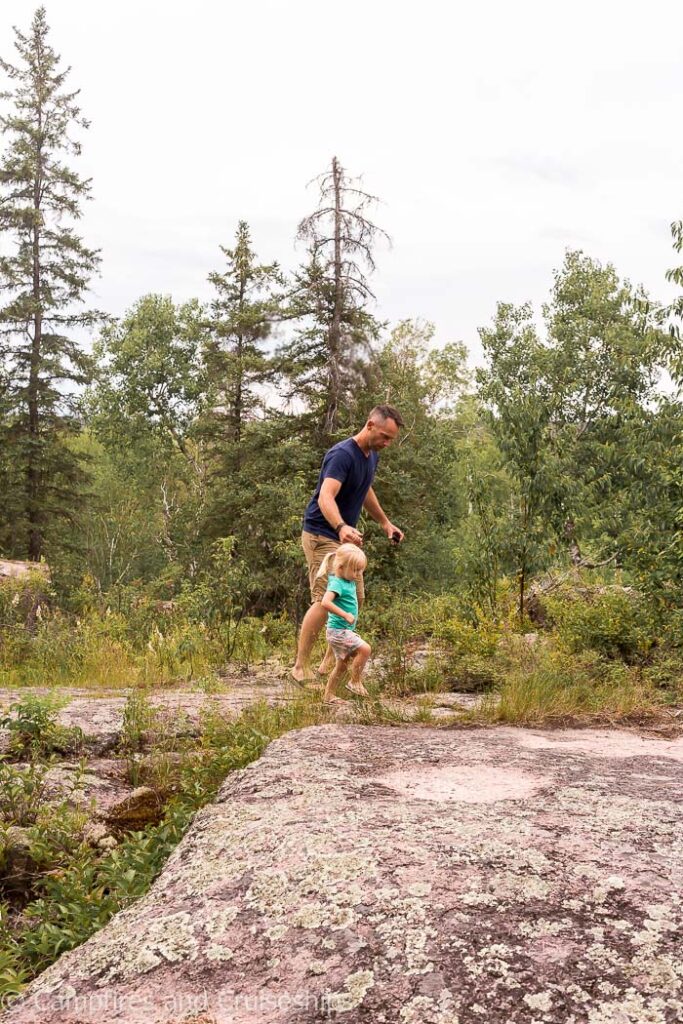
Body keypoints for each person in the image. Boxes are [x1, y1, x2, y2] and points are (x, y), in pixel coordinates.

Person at [291, 404, 404, 684]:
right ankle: (299, 668)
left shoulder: (371, 455)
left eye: (391, 438)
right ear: (369, 425)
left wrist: (385, 523)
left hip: (343, 540)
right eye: (384, 436)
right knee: (324, 600)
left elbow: (365, 490)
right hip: (322, 534)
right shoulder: (342, 454)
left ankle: (328, 662)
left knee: (356, 598)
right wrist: (341, 527)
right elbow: (325, 497)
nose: (387, 443)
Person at [318, 545, 371, 705]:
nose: (358, 574)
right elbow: (325, 602)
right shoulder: (337, 583)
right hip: (338, 631)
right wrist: (344, 614)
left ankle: (328, 695)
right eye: (355, 570)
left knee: (341, 665)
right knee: (365, 649)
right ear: (341, 568)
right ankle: (355, 681)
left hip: (341, 630)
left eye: (360, 571)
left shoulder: (348, 581)